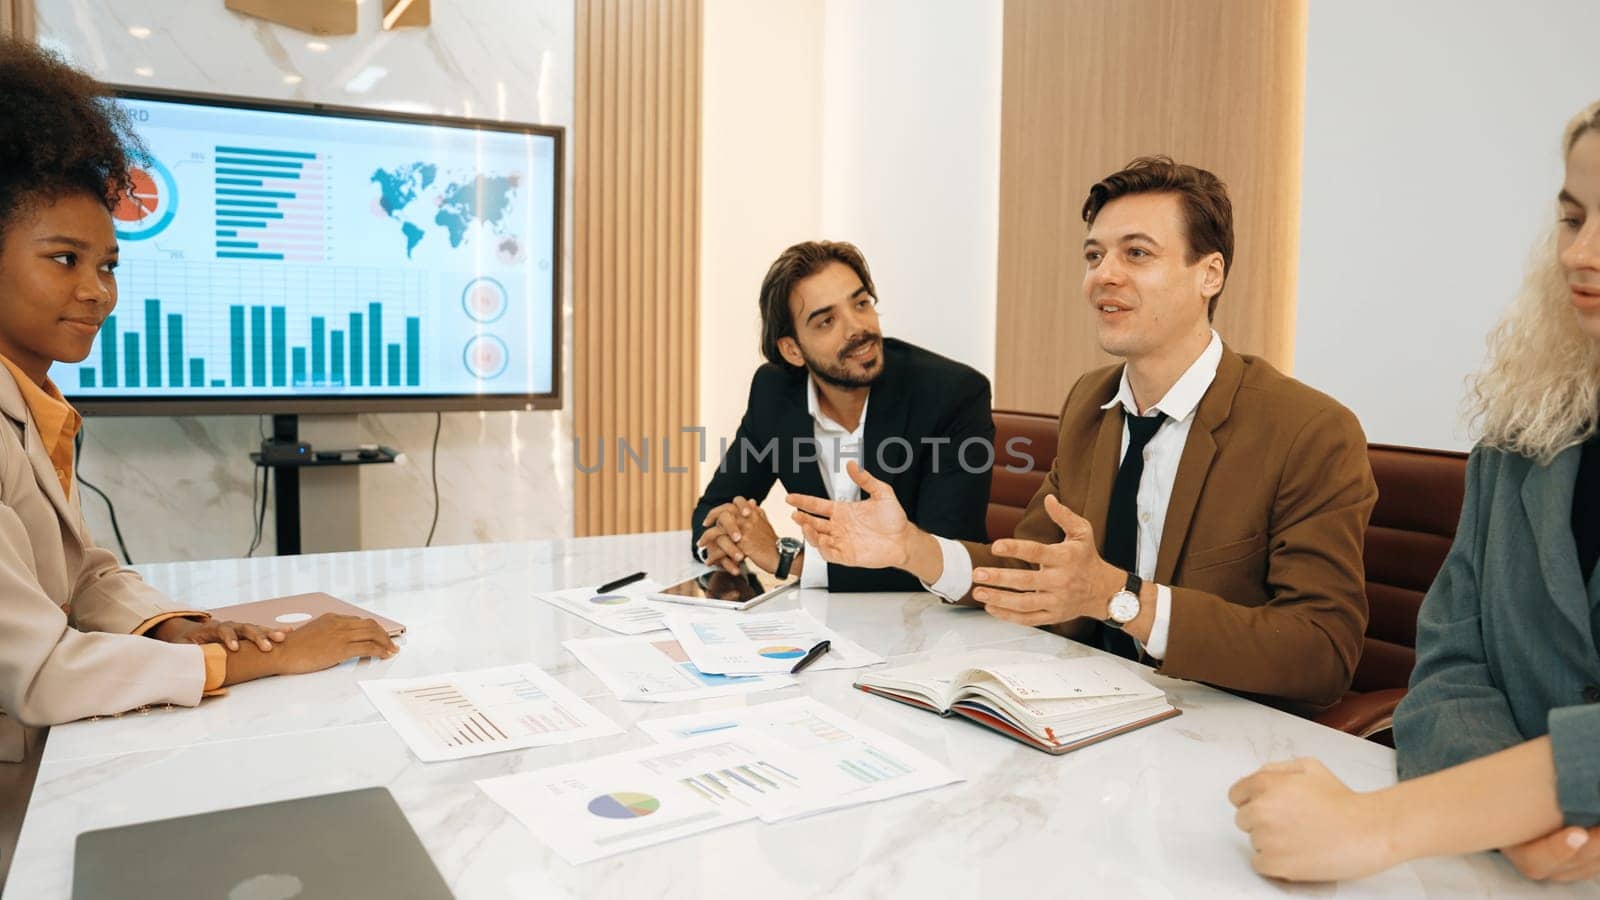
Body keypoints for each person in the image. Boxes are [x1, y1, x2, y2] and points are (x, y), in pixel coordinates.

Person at [788, 158, 1376, 711]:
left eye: (1137, 253)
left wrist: (1119, 600)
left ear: (1210, 274)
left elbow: (1323, 652)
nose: (1104, 276)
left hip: (1216, 730)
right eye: (1094, 256)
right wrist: (910, 548)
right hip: (1078, 709)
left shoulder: (1309, 431)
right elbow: (1034, 574)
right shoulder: (1091, 405)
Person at [1229, 100, 1600, 883]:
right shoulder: (1523, 430)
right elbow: (1451, 667)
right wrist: (1515, 826)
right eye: (1572, 219)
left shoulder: (1303, 427)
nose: (1582, 253)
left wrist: (1387, 824)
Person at [0, 37, 398, 760]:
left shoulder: (30, 405)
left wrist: (174, 627)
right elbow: (40, 671)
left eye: (109, 265)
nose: (98, 291)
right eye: (65, 259)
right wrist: (264, 657)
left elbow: (80, 570)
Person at [691, 240, 993, 592]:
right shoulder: (775, 392)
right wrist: (726, 536)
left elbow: (945, 561)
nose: (857, 328)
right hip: (823, 623)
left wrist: (788, 559)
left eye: (861, 303)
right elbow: (713, 509)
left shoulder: (951, 395)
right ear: (792, 350)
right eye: (826, 321)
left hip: (925, 630)